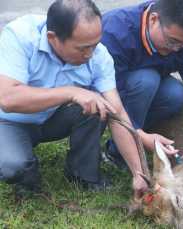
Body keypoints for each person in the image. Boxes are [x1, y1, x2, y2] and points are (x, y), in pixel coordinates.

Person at [0, 0, 147, 199]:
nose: (90, 54)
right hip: (9, 121)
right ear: (52, 38)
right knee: (13, 165)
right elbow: (7, 99)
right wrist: (69, 92)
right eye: (82, 48)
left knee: (99, 106)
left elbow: (117, 113)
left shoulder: (99, 56)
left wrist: (139, 172)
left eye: (95, 45)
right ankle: (27, 177)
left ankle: (82, 174)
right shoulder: (20, 36)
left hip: (52, 118)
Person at [101, 0, 183, 167]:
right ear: (153, 19)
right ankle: (117, 152)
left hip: (139, 92)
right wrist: (139, 136)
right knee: (147, 80)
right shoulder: (115, 33)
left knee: (176, 95)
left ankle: (138, 133)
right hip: (108, 94)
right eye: (172, 41)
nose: (177, 49)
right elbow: (108, 97)